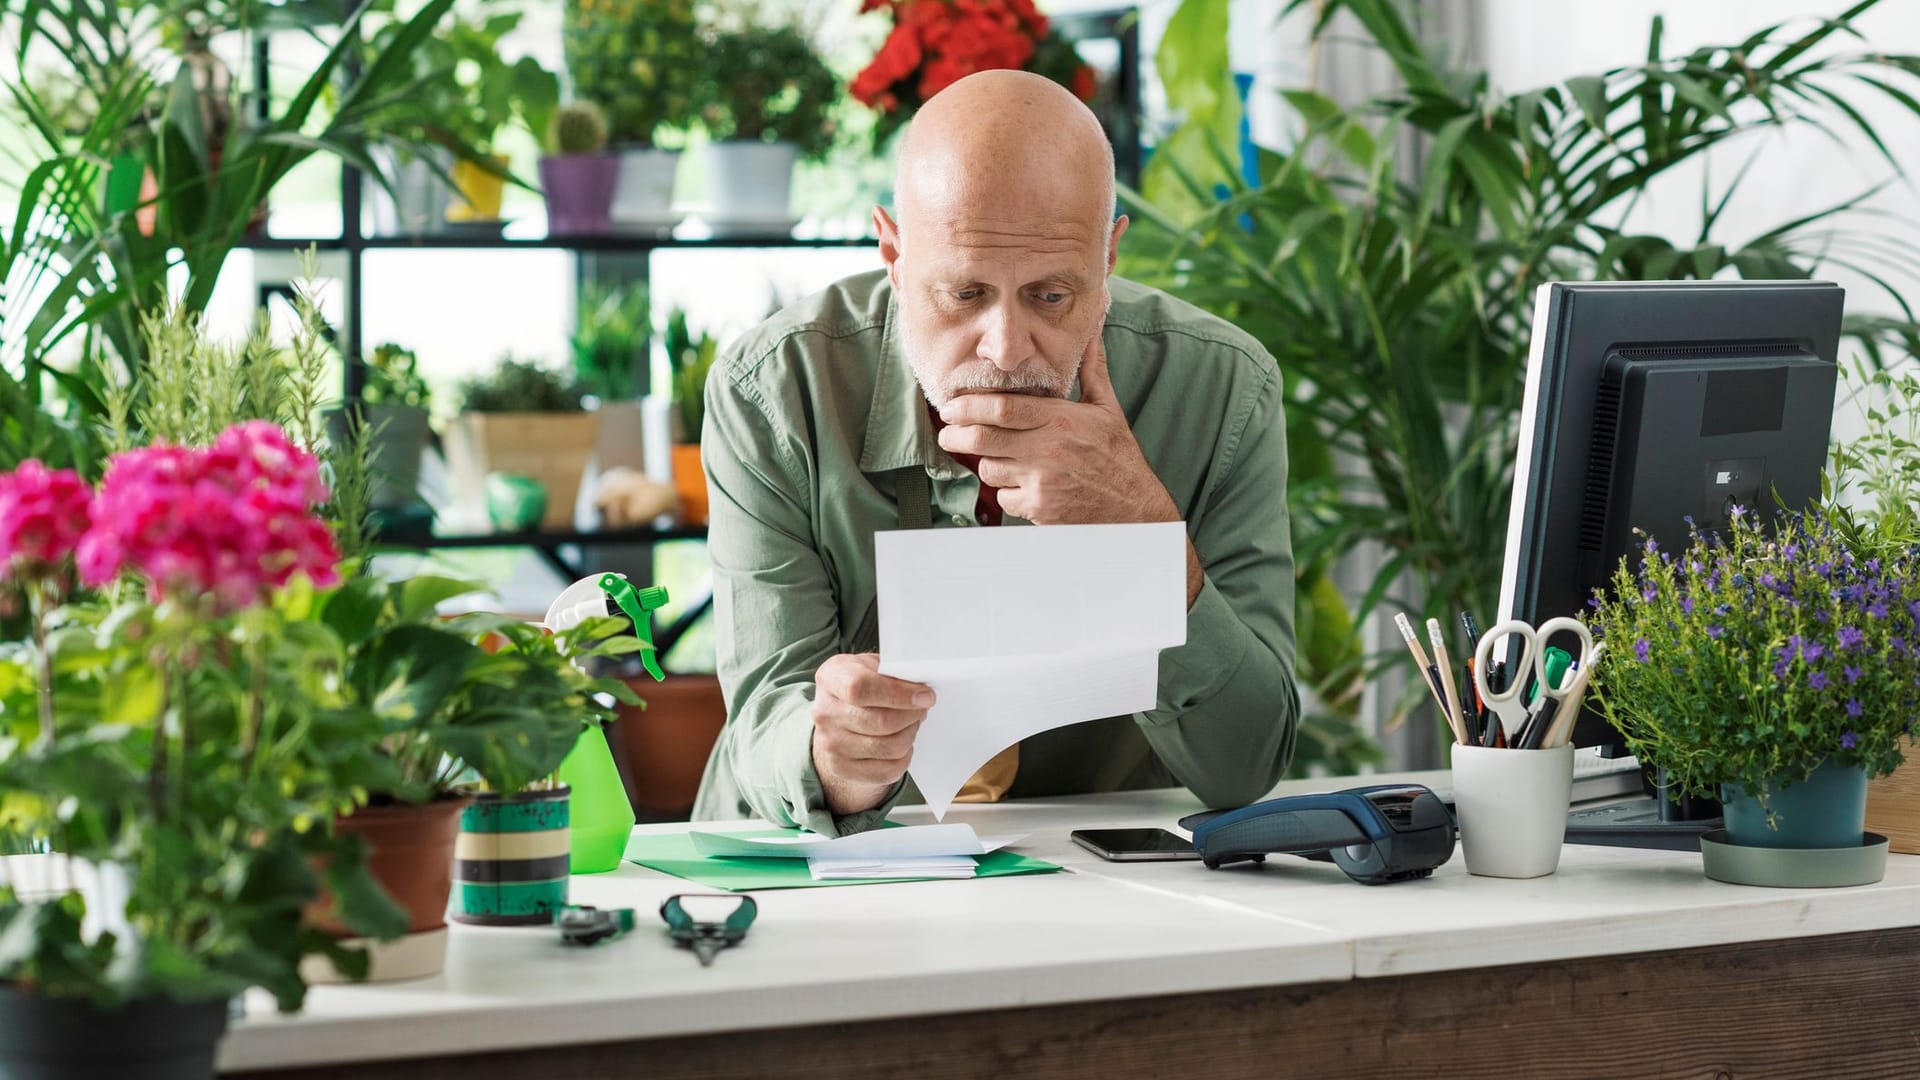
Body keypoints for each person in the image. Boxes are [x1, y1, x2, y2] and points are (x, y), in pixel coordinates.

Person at [691, 69, 1298, 835]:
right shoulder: (776, 390)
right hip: (825, 871)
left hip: (1107, 884)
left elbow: (1248, 764)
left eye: (1051, 296)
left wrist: (1145, 539)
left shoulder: (1223, 389)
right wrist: (829, 755)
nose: (1007, 350)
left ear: (1108, 257)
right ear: (893, 252)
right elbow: (762, 720)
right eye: (965, 294)